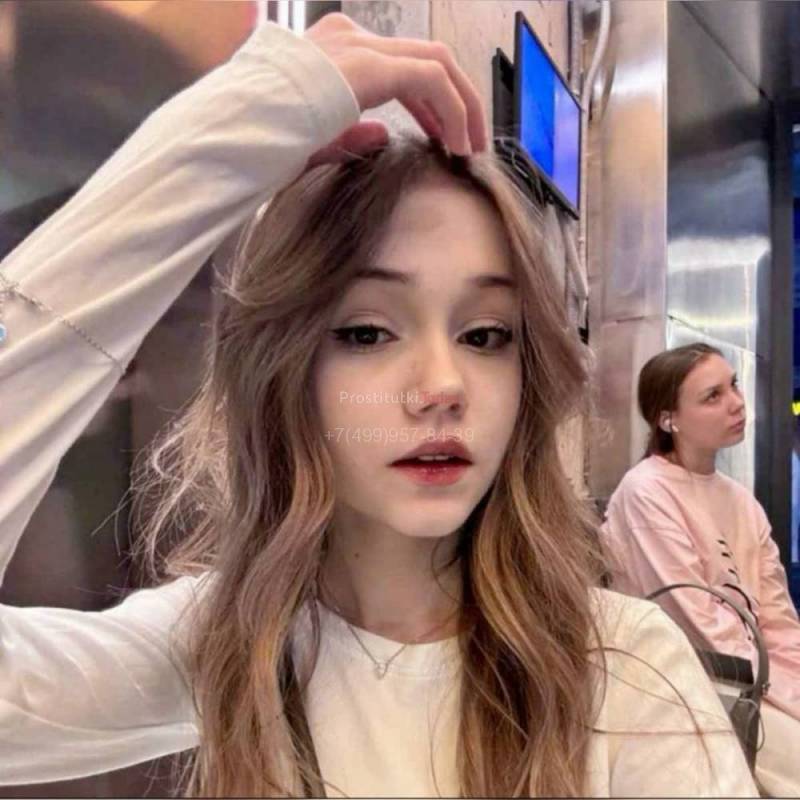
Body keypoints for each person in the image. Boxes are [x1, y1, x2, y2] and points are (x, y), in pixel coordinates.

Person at [0, 13, 757, 798]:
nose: (443, 386)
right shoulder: (219, 647)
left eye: (485, 335)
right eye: (366, 332)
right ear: (287, 372)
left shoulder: (626, 670)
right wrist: (228, 134)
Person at [602, 342, 800, 797]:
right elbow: (697, 624)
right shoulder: (646, 491)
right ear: (668, 419)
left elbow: (775, 614)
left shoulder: (740, 500)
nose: (737, 403)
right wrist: (782, 691)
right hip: (685, 684)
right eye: (713, 396)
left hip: (753, 680)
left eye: (733, 385)